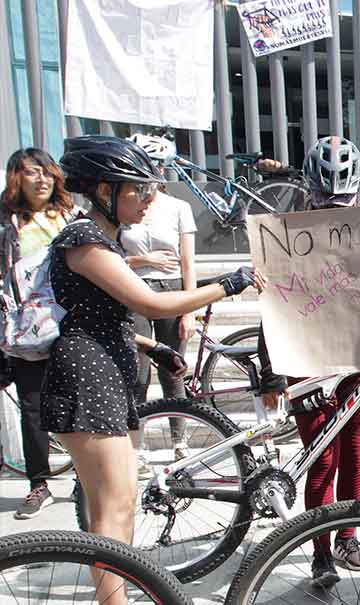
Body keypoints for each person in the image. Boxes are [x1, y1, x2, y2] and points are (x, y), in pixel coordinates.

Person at [49, 135, 260, 601]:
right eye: (137, 190)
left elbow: (100, 315)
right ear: (104, 191)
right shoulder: (83, 239)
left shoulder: (105, 239)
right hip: (88, 378)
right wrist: (228, 284)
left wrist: (149, 346)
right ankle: (113, 601)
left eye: (149, 190)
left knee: (120, 504)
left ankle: (115, 596)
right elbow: (150, 300)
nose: (148, 200)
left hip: (107, 370)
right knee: (111, 507)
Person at [255, 136, 360, 588]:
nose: (335, 208)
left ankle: (349, 536)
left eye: (344, 199)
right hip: (309, 364)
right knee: (322, 459)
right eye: (326, 199)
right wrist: (270, 373)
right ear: (309, 192)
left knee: (354, 456)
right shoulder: (287, 237)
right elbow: (271, 306)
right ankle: (320, 552)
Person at [1, 148, 78, 519]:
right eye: (32, 173)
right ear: (17, 177)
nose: (42, 179)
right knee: (32, 409)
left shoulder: (68, 216)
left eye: (47, 172)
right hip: (24, 331)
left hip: (70, 324)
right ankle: (39, 483)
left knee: (78, 404)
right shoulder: (6, 224)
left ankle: (85, 475)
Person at [123, 133, 197, 463]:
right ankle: (135, 446)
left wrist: (190, 309)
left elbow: (187, 261)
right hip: (133, 289)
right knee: (137, 372)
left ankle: (179, 441)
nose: (156, 172)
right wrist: (143, 260)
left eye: (161, 166)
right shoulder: (124, 209)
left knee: (173, 370)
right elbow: (110, 256)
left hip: (172, 289)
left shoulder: (178, 207)